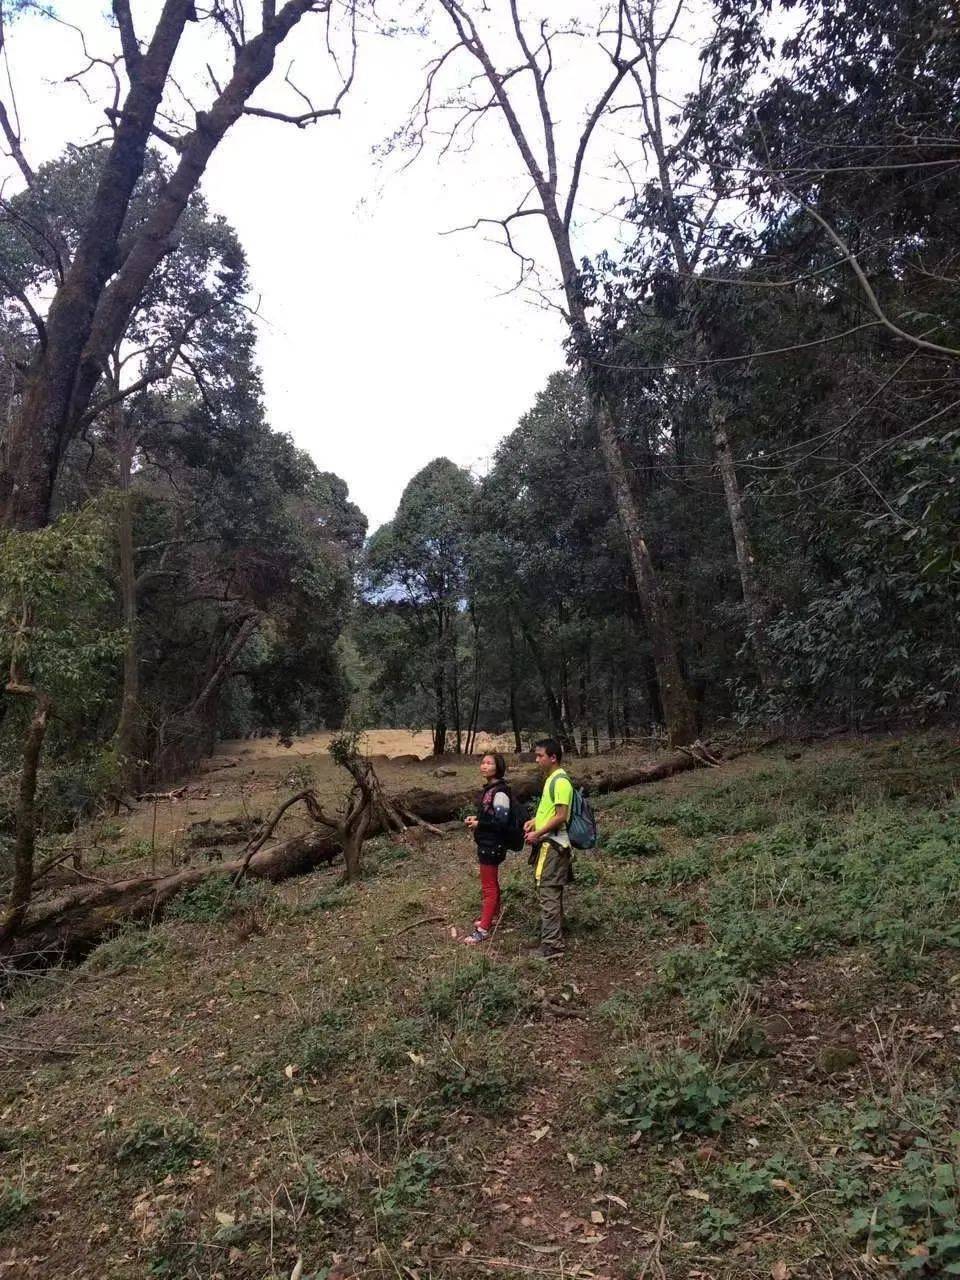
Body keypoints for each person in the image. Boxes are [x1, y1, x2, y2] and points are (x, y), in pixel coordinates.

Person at [524, 737, 573, 960]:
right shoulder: (551, 780)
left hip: (554, 846)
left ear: (553, 757)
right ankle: (552, 935)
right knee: (550, 891)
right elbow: (551, 810)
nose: (537, 759)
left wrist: (538, 833)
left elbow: (561, 816)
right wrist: (536, 820)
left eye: (540, 755)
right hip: (550, 842)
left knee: (548, 891)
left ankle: (552, 945)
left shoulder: (560, 781)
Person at [462, 752, 512, 945]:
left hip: (492, 844)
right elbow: (490, 816)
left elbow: (501, 821)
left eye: (489, 763)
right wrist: (477, 820)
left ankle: (482, 930)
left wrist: (480, 825)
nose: (484, 766)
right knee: (492, 884)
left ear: (498, 767)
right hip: (487, 843)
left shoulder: (499, 792)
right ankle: (493, 917)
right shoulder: (491, 789)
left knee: (488, 888)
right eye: (482, 763)